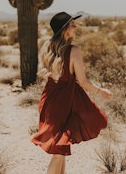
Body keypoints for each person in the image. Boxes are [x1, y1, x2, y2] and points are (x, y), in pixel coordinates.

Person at [31, 12, 112, 174]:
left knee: (61, 149)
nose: (75, 27)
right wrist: (100, 91)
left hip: (49, 100)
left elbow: (45, 73)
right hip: (65, 103)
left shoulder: (47, 46)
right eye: (72, 24)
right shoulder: (74, 51)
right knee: (58, 152)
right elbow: (83, 82)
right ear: (64, 30)